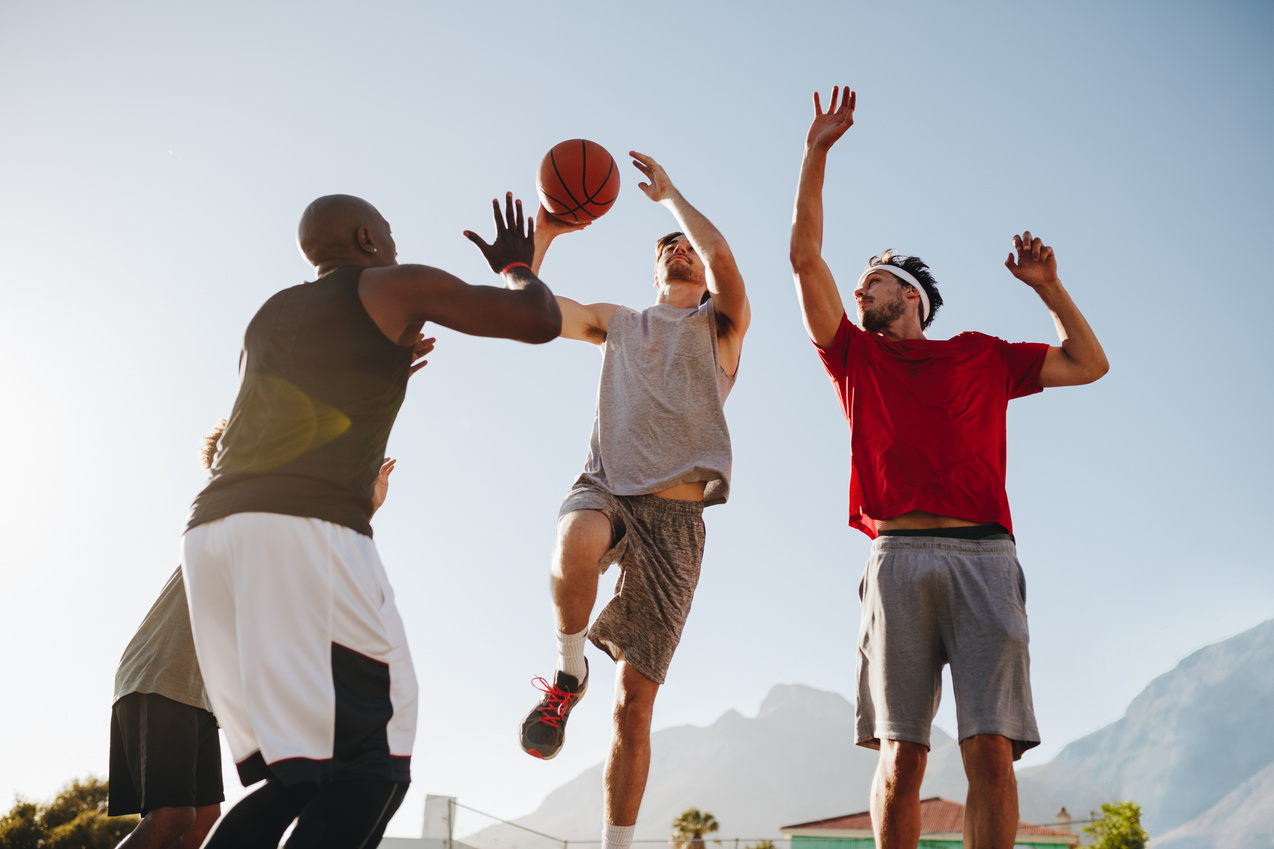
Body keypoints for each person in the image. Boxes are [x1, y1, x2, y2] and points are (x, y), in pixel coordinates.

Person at [181, 193, 561, 849]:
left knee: (301, 770)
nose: (391, 243)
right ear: (365, 238)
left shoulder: (268, 316)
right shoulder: (390, 282)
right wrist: (518, 265)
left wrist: (384, 370)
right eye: (386, 234)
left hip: (213, 532)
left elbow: (295, 415)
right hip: (299, 525)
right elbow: (536, 319)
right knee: (378, 758)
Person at [789, 87, 1109, 849]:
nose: (857, 286)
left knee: (990, 752)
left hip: (985, 557)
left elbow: (1089, 362)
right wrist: (816, 154)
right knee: (901, 757)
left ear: (910, 294)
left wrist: (1049, 288)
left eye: (872, 278)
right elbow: (803, 257)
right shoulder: (854, 358)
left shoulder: (982, 354)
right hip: (896, 555)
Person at [520, 151, 750, 849]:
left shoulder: (722, 327)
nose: (682, 251)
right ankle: (567, 667)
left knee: (634, 709)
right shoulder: (619, 323)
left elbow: (725, 259)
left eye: (690, 248)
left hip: (677, 522)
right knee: (576, 538)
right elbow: (528, 310)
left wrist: (672, 199)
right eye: (668, 250)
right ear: (654, 272)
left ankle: (615, 843)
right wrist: (544, 235)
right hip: (608, 485)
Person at [110, 421, 404, 849]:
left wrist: (367, 506)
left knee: (202, 822)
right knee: (171, 816)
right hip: (160, 675)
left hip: (196, 695)